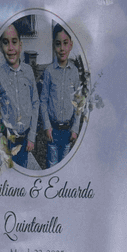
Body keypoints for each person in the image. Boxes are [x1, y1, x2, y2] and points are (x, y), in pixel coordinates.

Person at [0, 23, 38, 168]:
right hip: (7, 140)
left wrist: (32, 136)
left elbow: (35, 103)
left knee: (22, 170)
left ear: (20, 45)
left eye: (14, 42)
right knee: (9, 175)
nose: (10, 48)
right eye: (6, 42)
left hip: (25, 138)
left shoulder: (28, 72)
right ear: (0, 46)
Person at [39, 24, 82, 168]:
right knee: (52, 163)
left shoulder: (74, 72)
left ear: (71, 45)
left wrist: (75, 129)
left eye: (65, 43)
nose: (62, 48)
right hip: (53, 129)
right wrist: (47, 126)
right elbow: (43, 101)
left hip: (68, 130)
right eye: (58, 44)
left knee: (65, 165)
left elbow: (79, 102)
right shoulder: (49, 72)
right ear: (53, 46)